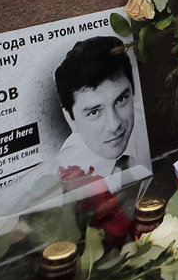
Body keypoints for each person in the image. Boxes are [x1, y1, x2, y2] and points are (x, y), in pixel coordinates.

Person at [54, 36, 142, 186]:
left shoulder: (155, 127)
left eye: (121, 100)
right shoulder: (65, 182)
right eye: (94, 112)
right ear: (70, 119)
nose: (114, 125)